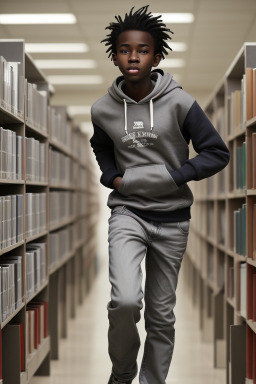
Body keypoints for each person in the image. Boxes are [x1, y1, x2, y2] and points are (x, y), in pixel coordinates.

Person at [90, 5, 229, 384]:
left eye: (142, 49)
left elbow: (217, 152)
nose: (133, 56)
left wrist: (175, 175)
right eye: (124, 49)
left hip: (173, 220)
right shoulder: (102, 108)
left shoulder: (180, 103)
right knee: (124, 302)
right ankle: (121, 374)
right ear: (114, 55)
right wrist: (113, 178)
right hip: (128, 213)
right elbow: (100, 145)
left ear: (157, 55)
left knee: (160, 314)